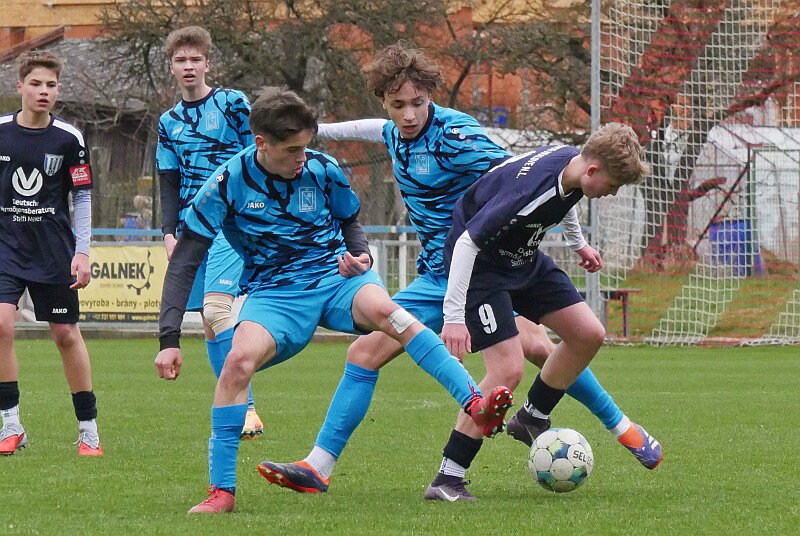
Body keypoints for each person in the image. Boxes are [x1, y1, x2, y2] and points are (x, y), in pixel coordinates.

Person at [258, 42, 661, 500]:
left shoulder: (458, 136)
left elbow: (522, 178)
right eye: (397, 105)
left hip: (481, 265)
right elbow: (374, 128)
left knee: (536, 347)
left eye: (417, 103)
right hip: (440, 273)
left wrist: (572, 240)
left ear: (430, 95)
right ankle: (319, 467)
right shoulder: (396, 132)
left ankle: (617, 425)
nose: (409, 114)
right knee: (365, 354)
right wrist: (314, 132)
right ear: (384, 101)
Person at [154, 86, 512, 514]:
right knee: (237, 363)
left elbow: (349, 223)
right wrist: (169, 337)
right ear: (261, 143)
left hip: (337, 278)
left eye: (306, 147)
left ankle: (474, 403)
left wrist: (360, 256)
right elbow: (184, 262)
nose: (302, 158)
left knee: (391, 313)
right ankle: (222, 492)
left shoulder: (323, 169)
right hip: (276, 293)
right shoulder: (226, 184)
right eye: (292, 150)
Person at [438, 122, 660, 499]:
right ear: (593, 170)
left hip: (522, 258)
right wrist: (454, 318)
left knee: (588, 333)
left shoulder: (572, 164)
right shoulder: (527, 193)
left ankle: (532, 418)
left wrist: (578, 244)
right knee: (508, 370)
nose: (612, 193)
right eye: (612, 185)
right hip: (483, 270)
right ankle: (448, 477)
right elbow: (466, 242)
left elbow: (563, 201)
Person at [157, 26, 262, 438]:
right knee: (208, 320)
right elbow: (168, 180)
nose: (188, 66)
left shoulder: (232, 103)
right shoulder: (168, 122)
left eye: (195, 59)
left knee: (218, 312)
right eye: (180, 60)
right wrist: (168, 232)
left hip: (232, 223)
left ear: (207, 64)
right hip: (192, 228)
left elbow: (257, 153)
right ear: (171, 67)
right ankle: (235, 405)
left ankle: (245, 409)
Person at [0, 50, 102, 456]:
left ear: (58, 90)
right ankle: (10, 424)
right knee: (1, 325)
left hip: (53, 250)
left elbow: (83, 197)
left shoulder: (68, 139)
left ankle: (88, 428)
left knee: (65, 334)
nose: (44, 91)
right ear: (20, 87)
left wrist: (83, 252)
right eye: (36, 84)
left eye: (51, 85)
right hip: (6, 247)